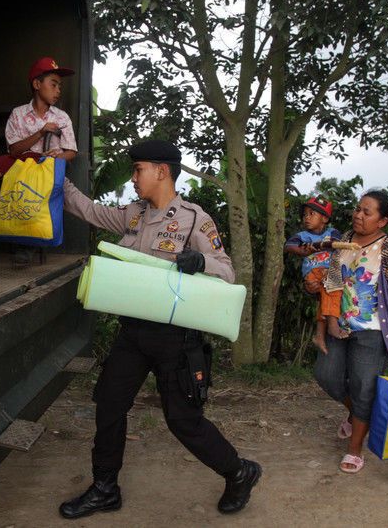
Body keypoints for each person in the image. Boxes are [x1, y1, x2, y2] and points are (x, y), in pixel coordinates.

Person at [57, 139, 261, 518]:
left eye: (138, 170)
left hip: (175, 339)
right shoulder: (133, 214)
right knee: (109, 405)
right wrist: (56, 175)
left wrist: (201, 261)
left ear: (161, 171)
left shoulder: (194, 218)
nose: (133, 178)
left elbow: (227, 271)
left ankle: (239, 471)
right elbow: (89, 210)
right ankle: (105, 489)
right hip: (133, 333)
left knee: (183, 421)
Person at [309, 189, 388, 474]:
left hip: (373, 332)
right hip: (338, 326)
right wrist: (315, 291)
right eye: (358, 209)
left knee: (364, 387)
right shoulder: (343, 241)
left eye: (367, 212)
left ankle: (355, 449)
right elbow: (332, 284)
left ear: (382, 221)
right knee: (326, 375)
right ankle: (360, 413)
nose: (358, 215)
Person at [0, 57, 78, 268]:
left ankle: (28, 242)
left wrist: (56, 158)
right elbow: (14, 150)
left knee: (35, 182)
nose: (58, 90)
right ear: (36, 84)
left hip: (45, 162)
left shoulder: (62, 117)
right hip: (19, 158)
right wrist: (41, 131)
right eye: (53, 84)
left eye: (59, 86)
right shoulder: (19, 113)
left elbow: (71, 152)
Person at [284, 196, 345, 352]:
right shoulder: (303, 236)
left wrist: (325, 245)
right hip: (313, 273)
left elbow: (338, 245)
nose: (307, 218)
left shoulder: (332, 233)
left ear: (324, 218)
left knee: (327, 296)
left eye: (312, 214)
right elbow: (288, 246)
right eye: (305, 214)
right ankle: (332, 324)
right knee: (332, 289)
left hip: (327, 274)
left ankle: (319, 336)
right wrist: (303, 250)